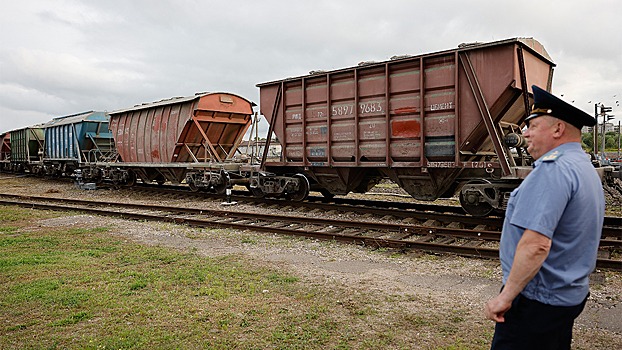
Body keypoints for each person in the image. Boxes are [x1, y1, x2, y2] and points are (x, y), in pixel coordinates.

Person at [484, 85, 605, 349]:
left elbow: (536, 245)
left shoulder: (553, 170)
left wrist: (506, 297)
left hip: (536, 300)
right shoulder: (583, 166)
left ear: (557, 129)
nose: (525, 134)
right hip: (567, 295)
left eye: (532, 126)